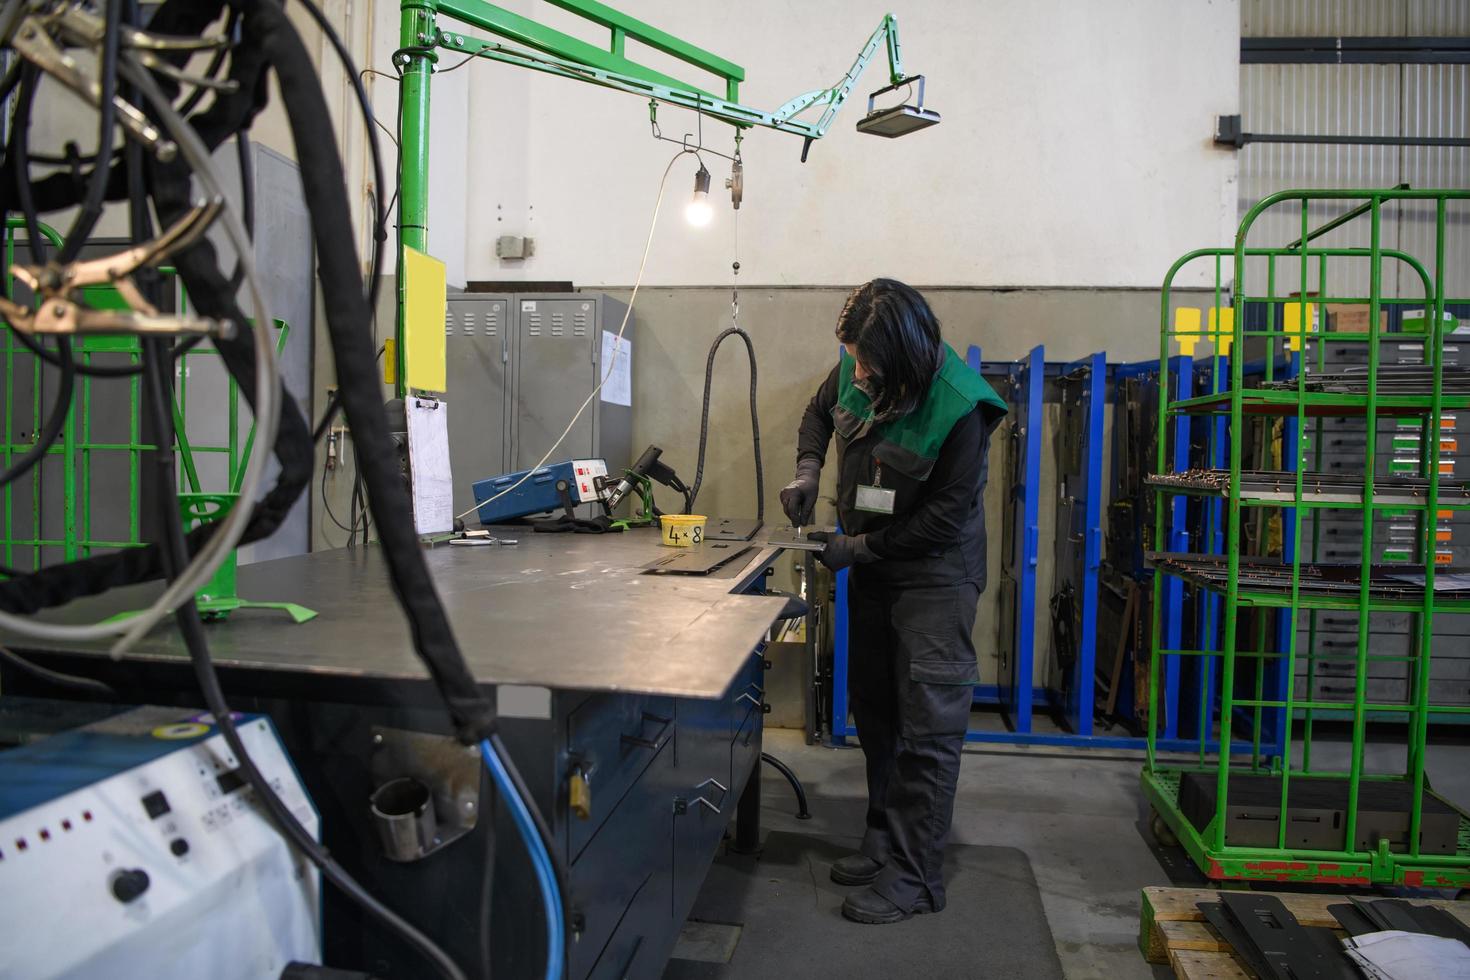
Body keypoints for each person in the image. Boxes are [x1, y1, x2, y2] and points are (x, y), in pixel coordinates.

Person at [781, 278, 1006, 924]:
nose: (856, 372)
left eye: (866, 363)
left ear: (904, 363)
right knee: (875, 710)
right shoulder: (859, 368)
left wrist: (860, 551)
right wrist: (806, 473)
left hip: (935, 575)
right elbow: (818, 414)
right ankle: (882, 835)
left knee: (927, 727)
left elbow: (940, 521)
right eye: (852, 357)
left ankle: (916, 876)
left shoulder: (960, 407)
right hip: (875, 561)